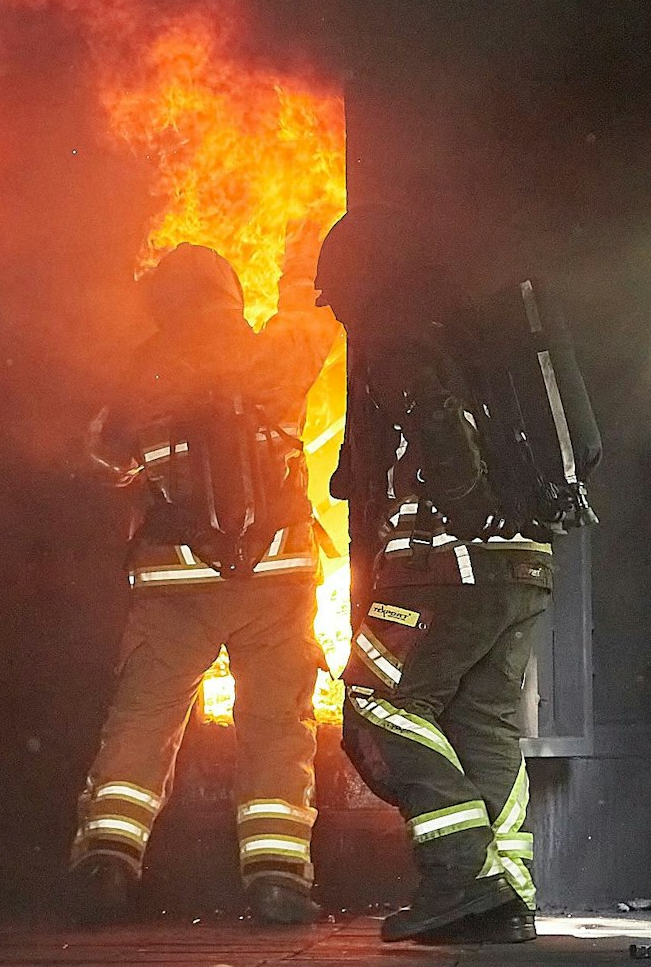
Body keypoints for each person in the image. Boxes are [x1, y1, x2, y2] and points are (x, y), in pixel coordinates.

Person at [67, 235, 338, 927]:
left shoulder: (144, 368)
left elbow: (104, 460)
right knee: (277, 726)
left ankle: (108, 863)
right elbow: (312, 331)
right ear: (229, 293)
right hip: (277, 578)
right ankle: (277, 878)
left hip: (174, 585)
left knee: (143, 721)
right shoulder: (268, 351)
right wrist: (301, 277)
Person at [314, 206, 563, 945]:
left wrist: (459, 505)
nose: (338, 315)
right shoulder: (472, 329)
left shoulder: (398, 333)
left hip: (446, 564)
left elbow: (435, 424)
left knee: (377, 700)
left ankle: (462, 874)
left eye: (336, 297)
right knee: (480, 721)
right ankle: (507, 897)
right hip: (524, 562)